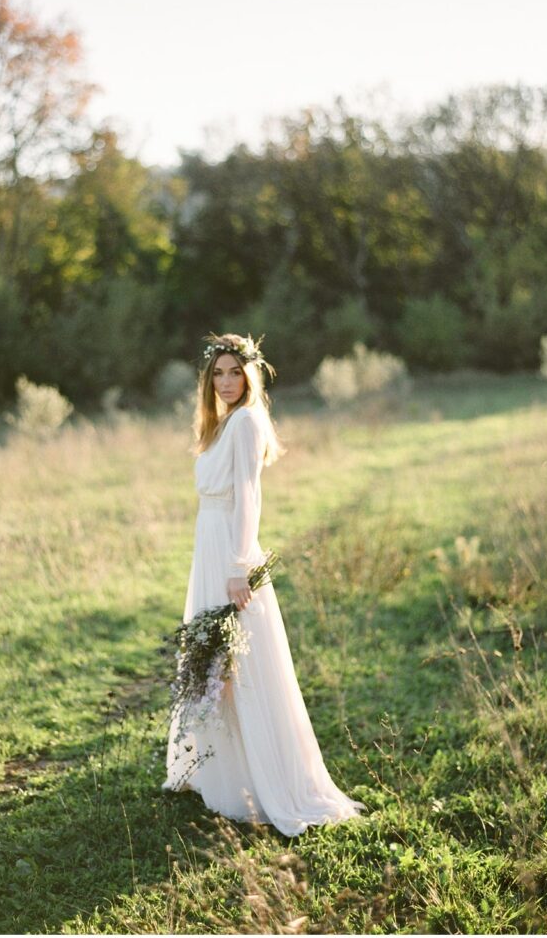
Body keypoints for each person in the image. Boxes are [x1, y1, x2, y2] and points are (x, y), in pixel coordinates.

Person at [161, 331, 368, 837]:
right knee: (214, 664)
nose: (227, 381)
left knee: (241, 668)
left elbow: (249, 497)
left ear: (250, 375)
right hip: (209, 546)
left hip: (232, 552)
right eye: (219, 373)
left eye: (236, 372)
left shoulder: (249, 420)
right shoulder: (221, 424)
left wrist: (237, 567)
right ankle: (221, 773)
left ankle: (264, 779)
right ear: (209, 379)